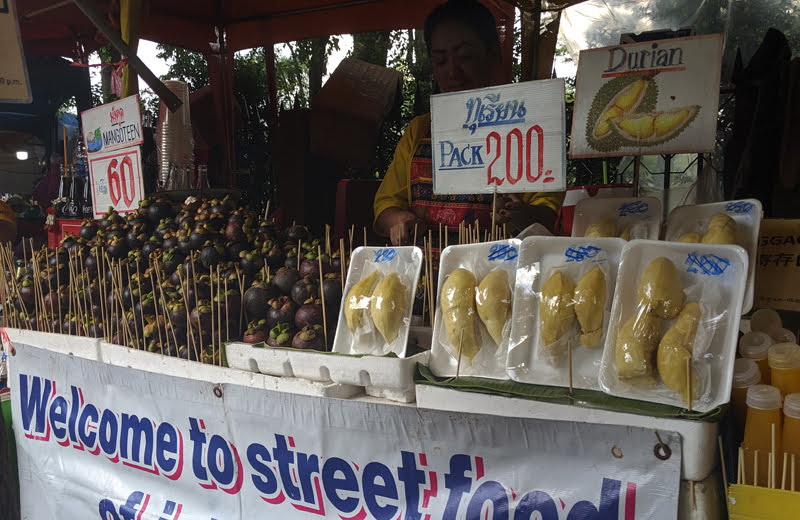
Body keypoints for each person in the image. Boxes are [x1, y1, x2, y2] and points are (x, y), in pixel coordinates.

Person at [374, 0, 564, 246]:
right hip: (427, 278)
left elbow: (551, 218)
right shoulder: (419, 130)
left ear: (493, 54)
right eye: (441, 61)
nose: (452, 72)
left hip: (499, 277)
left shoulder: (531, 128)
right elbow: (383, 209)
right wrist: (398, 219)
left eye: (464, 56)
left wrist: (523, 214)